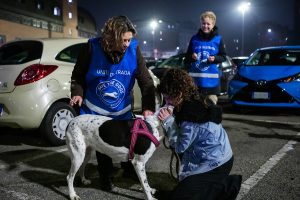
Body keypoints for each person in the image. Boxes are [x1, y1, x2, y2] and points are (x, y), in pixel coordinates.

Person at [69, 15, 156, 191]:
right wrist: (77, 93)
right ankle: (105, 178)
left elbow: (146, 81)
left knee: (128, 142)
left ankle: (129, 171)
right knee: (102, 148)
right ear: (111, 37)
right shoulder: (92, 47)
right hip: (95, 109)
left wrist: (148, 107)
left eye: (129, 39)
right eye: (123, 39)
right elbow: (78, 75)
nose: (127, 43)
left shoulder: (133, 49)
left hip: (121, 110)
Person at [157, 69, 241, 200]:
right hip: (217, 157)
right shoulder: (195, 100)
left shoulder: (190, 116)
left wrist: (168, 121)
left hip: (217, 164)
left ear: (179, 94)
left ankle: (229, 185)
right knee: (182, 191)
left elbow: (180, 147)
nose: (166, 102)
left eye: (168, 98)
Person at [184, 11, 227, 105]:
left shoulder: (218, 39)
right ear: (201, 23)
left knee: (210, 111)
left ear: (213, 24)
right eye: (203, 23)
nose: (205, 26)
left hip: (212, 85)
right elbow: (187, 58)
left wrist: (215, 58)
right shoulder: (194, 39)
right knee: (194, 111)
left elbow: (223, 57)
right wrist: (191, 56)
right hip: (194, 84)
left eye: (208, 24)